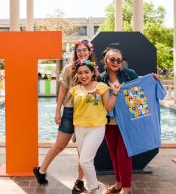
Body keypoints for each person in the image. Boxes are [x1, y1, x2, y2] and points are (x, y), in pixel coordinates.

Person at [33, 39, 96, 194]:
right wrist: (58, 110)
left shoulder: (94, 69)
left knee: (82, 151)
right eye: (79, 50)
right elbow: (62, 91)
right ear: (76, 52)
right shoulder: (69, 69)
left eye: (84, 50)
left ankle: (80, 181)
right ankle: (41, 170)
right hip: (69, 111)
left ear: (89, 52)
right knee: (59, 145)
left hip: (86, 114)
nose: (81, 52)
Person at [70, 59, 122, 194]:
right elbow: (76, 112)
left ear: (93, 72)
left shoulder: (101, 86)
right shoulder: (75, 90)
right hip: (80, 129)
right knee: (87, 161)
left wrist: (115, 93)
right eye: (80, 73)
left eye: (86, 72)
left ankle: (95, 188)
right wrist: (75, 132)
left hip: (96, 128)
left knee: (84, 160)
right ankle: (93, 188)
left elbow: (109, 107)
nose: (83, 75)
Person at [99, 48, 138, 194]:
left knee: (124, 155)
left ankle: (126, 188)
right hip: (109, 122)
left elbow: (140, 90)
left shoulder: (129, 74)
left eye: (119, 60)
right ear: (106, 60)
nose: (115, 62)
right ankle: (118, 183)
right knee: (114, 154)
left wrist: (152, 79)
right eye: (112, 59)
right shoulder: (100, 78)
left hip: (126, 122)